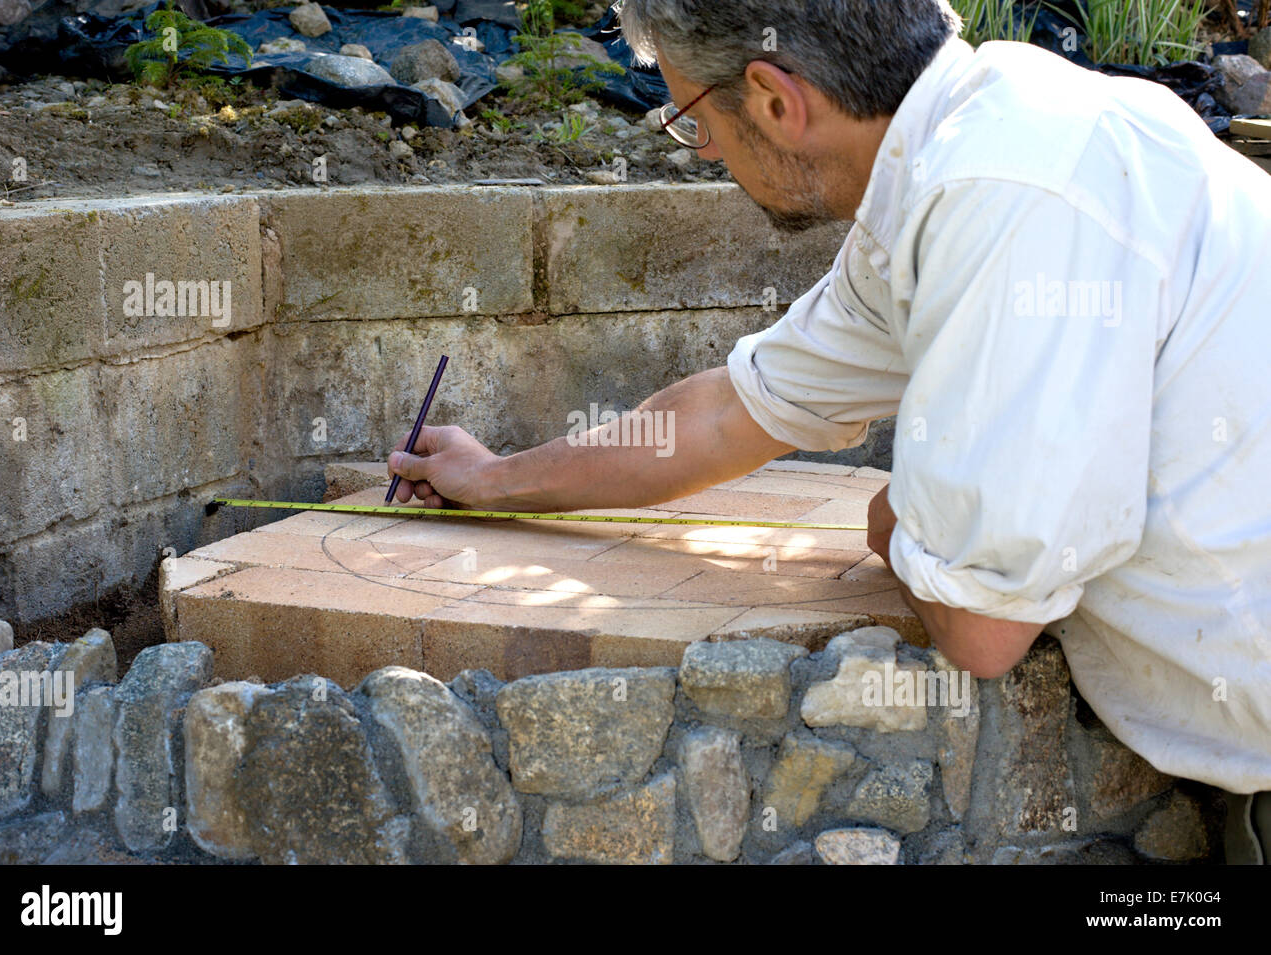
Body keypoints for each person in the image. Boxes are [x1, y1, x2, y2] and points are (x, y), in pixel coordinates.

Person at [386, 0, 1271, 861]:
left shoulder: (1001, 197)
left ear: (775, 100)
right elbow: (727, 413)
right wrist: (496, 478)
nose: (706, 150)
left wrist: (897, 526)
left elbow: (981, 628)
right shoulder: (972, 148)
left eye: (695, 120)